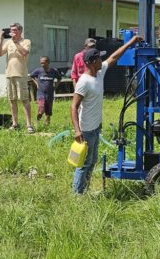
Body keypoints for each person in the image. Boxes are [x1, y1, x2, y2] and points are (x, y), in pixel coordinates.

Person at [71, 35, 141, 194]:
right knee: (84, 162)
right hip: (86, 129)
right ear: (91, 62)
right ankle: (77, 194)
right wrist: (77, 130)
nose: (101, 60)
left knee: (92, 160)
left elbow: (114, 57)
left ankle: (84, 189)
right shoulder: (84, 82)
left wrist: (131, 42)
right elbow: (73, 106)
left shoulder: (99, 72)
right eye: (98, 58)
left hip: (95, 127)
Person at [0, 23, 34, 133]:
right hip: (9, 74)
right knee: (12, 100)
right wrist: (1, 40)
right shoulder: (8, 42)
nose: (12, 32)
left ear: (20, 31)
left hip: (21, 74)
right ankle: (15, 123)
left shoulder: (26, 41)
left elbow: (24, 53)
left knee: (24, 99)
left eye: (14, 30)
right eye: (11, 30)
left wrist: (15, 42)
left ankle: (29, 125)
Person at [30, 56, 61, 126]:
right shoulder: (38, 71)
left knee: (48, 112)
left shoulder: (53, 71)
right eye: (41, 63)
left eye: (44, 63)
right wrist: (36, 83)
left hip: (50, 94)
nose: (42, 65)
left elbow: (59, 78)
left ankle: (47, 126)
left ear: (48, 62)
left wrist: (55, 86)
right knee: (41, 110)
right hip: (41, 94)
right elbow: (32, 76)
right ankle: (37, 122)